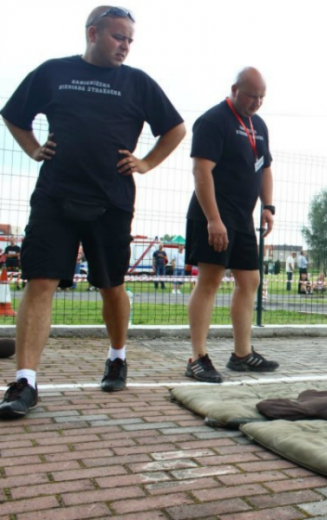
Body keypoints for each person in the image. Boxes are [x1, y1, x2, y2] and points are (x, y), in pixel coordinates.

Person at [0, 6, 186, 418]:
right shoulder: (53, 72)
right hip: (55, 196)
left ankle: (117, 355)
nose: (125, 46)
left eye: (130, 40)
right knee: (39, 280)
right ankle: (25, 382)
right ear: (92, 33)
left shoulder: (137, 83)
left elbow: (175, 128)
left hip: (111, 199)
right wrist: (33, 148)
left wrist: (146, 162)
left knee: (111, 284)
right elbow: (14, 115)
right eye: (119, 37)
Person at [185, 67, 278, 383]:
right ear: (235, 89)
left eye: (262, 97)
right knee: (209, 281)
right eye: (252, 96)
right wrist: (213, 219)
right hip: (213, 216)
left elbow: (264, 168)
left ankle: (242, 354)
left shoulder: (259, 125)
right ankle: (197, 356)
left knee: (250, 281)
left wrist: (267, 206)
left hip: (243, 217)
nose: (257, 103)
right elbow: (201, 171)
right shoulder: (214, 121)